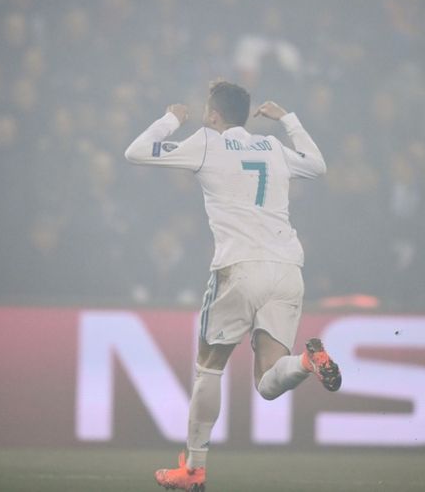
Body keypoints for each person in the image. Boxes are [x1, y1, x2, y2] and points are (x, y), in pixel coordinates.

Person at [125, 80, 341, 491]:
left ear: (213, 115)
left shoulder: (207, 142)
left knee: (209, 368)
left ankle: (194, 470)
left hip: (238, 268)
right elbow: (317, 166)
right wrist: (288, 119)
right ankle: (308, 363)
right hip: (286, 269)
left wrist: (171, 118)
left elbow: (134, 152)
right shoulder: (273, 148)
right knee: (269, 381)